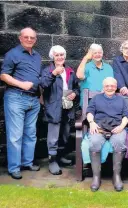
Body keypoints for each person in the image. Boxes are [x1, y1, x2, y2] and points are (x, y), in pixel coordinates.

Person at [0, 27, 41, 179]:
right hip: (16, 97)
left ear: (35, 40)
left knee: (31, 133)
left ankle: (27, 162)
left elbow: (37, 77)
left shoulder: (37, 56)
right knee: (15, 135)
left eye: (32, 37)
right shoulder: (13, 54)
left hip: (34, 99)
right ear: (20, 38)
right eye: (26, 37)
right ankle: (14, 167)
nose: (29, 39)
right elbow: (4, 75)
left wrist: (40, 96)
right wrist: (21, 84)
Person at [86, 77, 128, 192]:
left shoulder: (121, 100)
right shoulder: (96, 99)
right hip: (99, 128)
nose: (110, 88)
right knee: (94, 142)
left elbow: (126, 116)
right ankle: (96, 177)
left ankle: (116, 176)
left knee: (120, 142)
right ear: (103, 87)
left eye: (112, 86)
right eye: (107, 86)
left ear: (116, 87)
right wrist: (91, 123)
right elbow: (90, 112)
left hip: (117, 129)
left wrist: (121, 126)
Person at [41, 45, 79, 175]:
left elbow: (76, 87)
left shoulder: (70, 70)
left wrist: (75, 93)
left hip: (67, 106)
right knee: (53, 137)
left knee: (65, 134)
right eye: (57, 55)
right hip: (53, 107)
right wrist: (53, 74)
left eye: (62, 55)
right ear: (53, 57)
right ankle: (52, 161)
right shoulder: (48, 70)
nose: (60, 57)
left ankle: (60, 156)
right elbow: (44, 84)